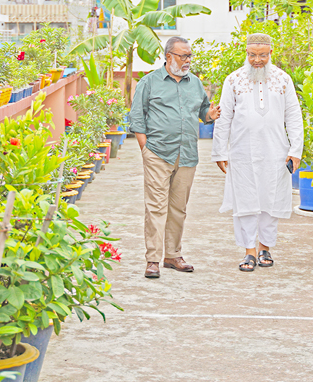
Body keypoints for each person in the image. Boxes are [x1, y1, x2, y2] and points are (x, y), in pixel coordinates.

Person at [129, 36, 221, 279]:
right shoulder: (149, 82)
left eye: (190, 55)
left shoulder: (195, 84)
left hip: (187, 154)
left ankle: (172, 255)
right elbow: (137, 116)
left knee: (178, 209)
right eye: (183, 56)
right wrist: (145, 149)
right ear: (168, 56)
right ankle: (152, 259)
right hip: (158, 153)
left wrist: (209, 114)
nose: (188, 60)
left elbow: (203, 110)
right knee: (156, 207)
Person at [211, 33, 303, 272]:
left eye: (262, 55)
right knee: (245, 202)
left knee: (270, 201)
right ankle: (249, 252)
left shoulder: (283, 80)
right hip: (242, 152)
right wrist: (220, 151)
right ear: (246, 54)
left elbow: (293, 116)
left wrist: (295, 150)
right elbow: (224, 118)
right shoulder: (233, 80)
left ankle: (265, 247)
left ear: (270, 53)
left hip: (276, 151)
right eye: (253, 55)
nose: (257, 60)